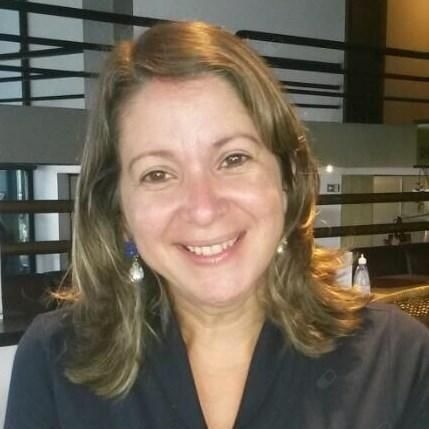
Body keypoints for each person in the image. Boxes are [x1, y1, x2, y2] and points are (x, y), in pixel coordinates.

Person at [5, 21, 429, 429]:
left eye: (233, 159)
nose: (203, 208)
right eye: (158, 174)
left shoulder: (397, 360)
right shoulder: (54, 361)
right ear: (120, 212)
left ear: (286, 178)